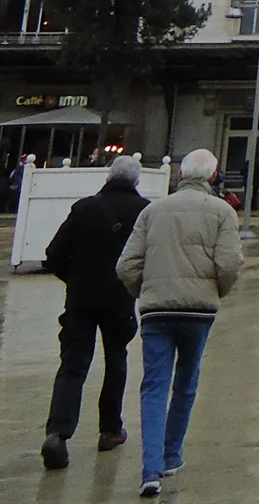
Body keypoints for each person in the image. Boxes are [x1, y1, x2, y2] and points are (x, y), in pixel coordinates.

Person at [116, 149, 243, 499]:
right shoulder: (222, 212)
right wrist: (217, 291)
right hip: (198, 311)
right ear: (213, 177)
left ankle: (150, 471)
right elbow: (230, 263)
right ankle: (172, 455)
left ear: (179, 175)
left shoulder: (152, 211)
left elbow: (126, 265)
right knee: (186, 384)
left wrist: (145, 292)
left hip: (157, 311)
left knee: (154, 386)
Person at [40, 155, 148, 470]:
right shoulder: (145, 212)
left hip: (80, 300)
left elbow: (53, 255)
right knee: (116, 361)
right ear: (137, 182)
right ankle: (110, 430)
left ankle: (58, 433)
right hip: (119, 300)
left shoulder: (85, 207)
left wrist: (74, 280)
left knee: (72, 366)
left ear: (107, 178)